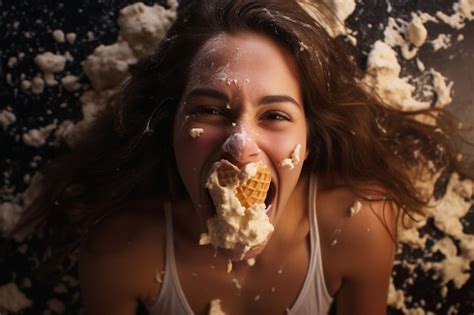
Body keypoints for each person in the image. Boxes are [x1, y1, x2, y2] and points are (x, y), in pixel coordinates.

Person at [12, 0, 469, 314]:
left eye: (274, 115)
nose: (239, 144)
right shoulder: (120, 250)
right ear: (170, 126)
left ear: (310, 139)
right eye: (210, 110)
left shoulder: (359, 225)